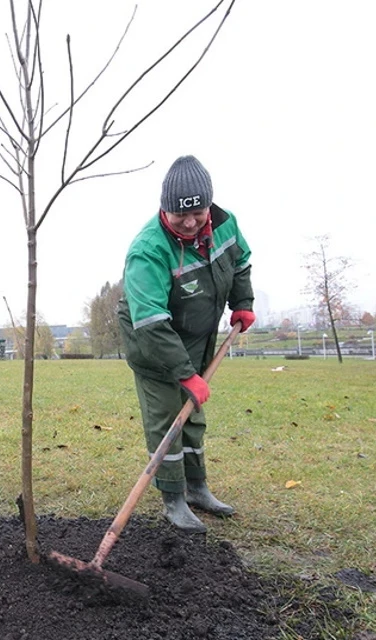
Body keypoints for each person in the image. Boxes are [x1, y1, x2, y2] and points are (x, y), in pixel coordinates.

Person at [118, 155, 255, 532]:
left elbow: (240, 262)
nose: (191, 221)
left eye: (197, 211)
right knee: (167, 419)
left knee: (193, 417)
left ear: (208, 205)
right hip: (153, 342)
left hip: (198, 336)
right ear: (165, 209)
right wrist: (183, 374)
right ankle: (173, 498)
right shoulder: (148, 251)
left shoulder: (225, 226)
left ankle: (197, 488)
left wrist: (243, 304)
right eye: (181, 215)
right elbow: (150, 322)